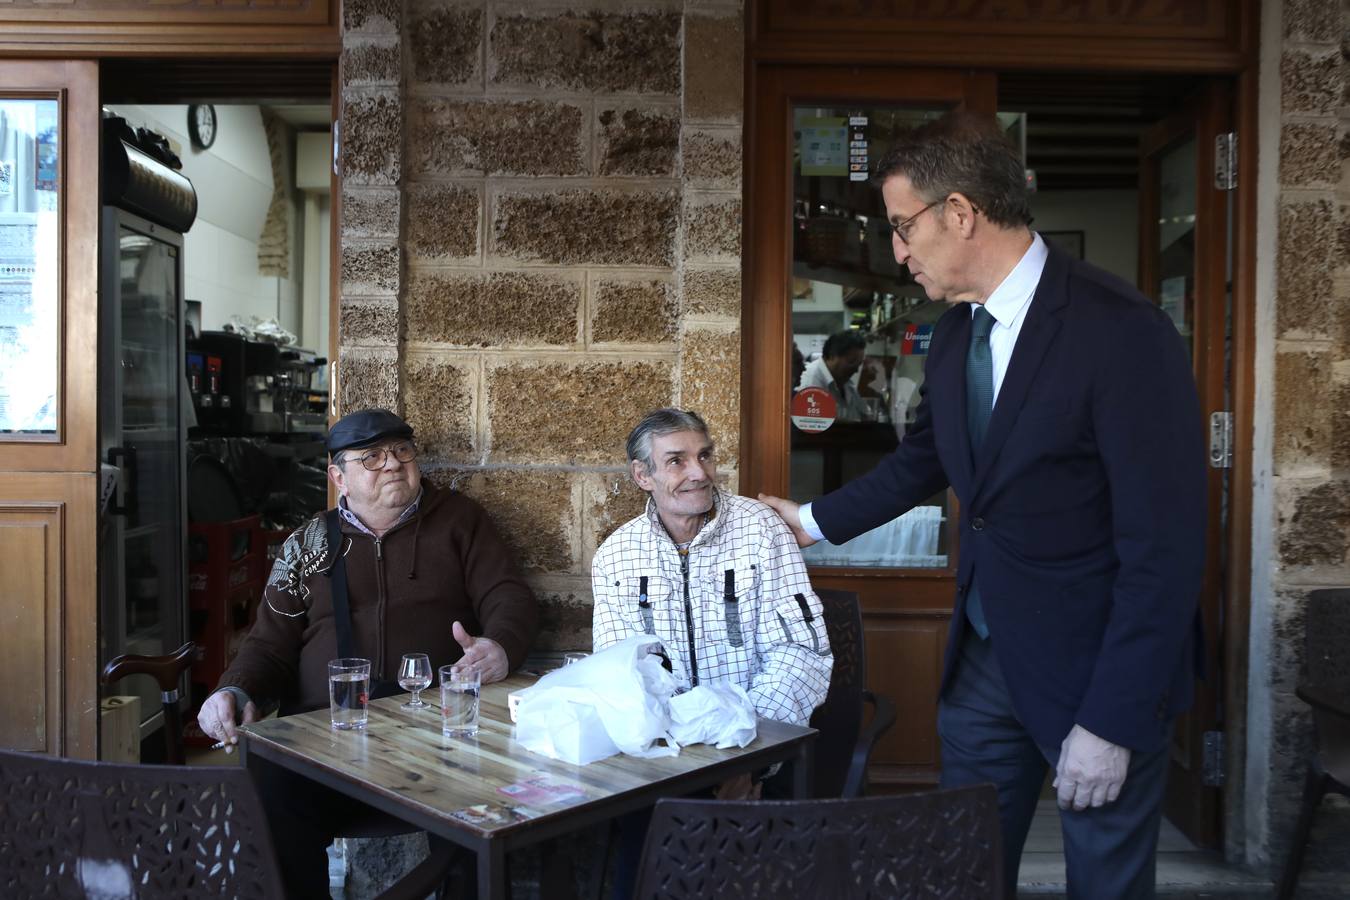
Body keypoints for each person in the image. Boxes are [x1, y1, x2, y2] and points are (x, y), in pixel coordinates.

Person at [760, 112, 1206, 900]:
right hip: (983, 666)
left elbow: (1163, 551)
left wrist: (1111, 720)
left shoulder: (1122, 331)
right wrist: (812, 522)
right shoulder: (960, 333)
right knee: (959, 873)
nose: (896, 251)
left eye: (902, 227)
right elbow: (924, 461)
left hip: (1095, 673)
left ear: (959, 213)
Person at [197, 407, 539, 897]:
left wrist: (500, 646)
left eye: (401, 451)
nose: (393, 464)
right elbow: (269, 643)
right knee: (266, 784)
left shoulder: (460, 521)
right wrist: (236, 688)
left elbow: (510, 595)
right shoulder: (307, 543)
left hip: (433, 739)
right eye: (371, 457)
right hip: (326, 742)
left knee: (484, 802)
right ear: (339, 476)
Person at [592, 408, 833, 898]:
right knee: (646, 865)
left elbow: (800, 654)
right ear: (644, 476)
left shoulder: (761, 531)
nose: (698, 472)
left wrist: (746, 759)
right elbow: (619, 672)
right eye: (676, 461)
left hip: (761, 749)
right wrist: (667, 762)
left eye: (704, 456)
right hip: (663, 762)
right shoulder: (616, 555)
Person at [798, 329, 870, 420]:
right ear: (832, 356)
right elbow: (812, 427)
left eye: (859, 365)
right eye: (851, 362)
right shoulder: (812, 381)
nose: (856, 370)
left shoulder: (846, 382)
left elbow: (865, 415)